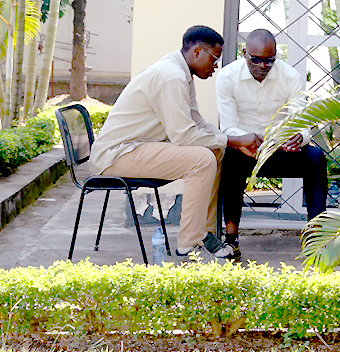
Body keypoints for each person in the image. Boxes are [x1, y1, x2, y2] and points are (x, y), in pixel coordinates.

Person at [90, 25, 252, 262]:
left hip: (134, 148)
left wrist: (229, 142)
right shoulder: (172, 76)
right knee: (202, 158)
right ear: (197, 51)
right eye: (214, 58)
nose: (216, 66)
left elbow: (197, 122)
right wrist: (234, 140)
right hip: (116, 155)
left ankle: (203, 232)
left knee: (215, 151)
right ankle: (190, 241)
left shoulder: (182, 73)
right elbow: (184, 136)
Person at [216, 29, 328, 260]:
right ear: (244, 53)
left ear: (276, 55)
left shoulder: (290, 76)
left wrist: (300, 136)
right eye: (255, 59)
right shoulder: (227, 77)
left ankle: (316, 239)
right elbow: (228, 127)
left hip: (281, 151)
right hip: (247, 150)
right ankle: (231, 238)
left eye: (269, 60)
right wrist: (250, 140)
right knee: (229, 157)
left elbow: (301, 119)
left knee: (316, 158)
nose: (262, 66)